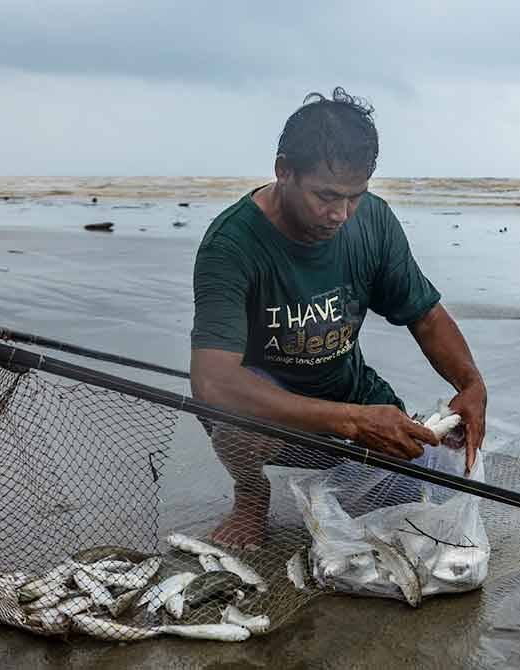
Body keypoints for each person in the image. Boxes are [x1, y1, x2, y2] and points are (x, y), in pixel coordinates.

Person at [190, 87, 487, 549]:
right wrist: (351, 422)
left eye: (355, 196)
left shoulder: (371, 220)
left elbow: (425, 315)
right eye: (326, 196)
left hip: (353, 394)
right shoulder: (231, 246)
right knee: (233, 418)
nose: (341, 214)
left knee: (409, 510)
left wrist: (471, 383)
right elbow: (213, 382)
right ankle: (250, 493)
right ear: (283, 170)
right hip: (272, 413)